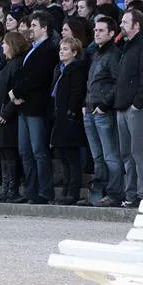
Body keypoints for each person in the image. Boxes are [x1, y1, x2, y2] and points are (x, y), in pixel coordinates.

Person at [10, 11, 58, 204]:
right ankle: (31, 190)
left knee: (38, 150)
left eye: (35, 26)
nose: (31, 29)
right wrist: (15, 93)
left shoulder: (49, 50)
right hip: (24, 105)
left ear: (44, 28)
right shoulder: (33, 48)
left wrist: (17, 92)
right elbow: (22, 74)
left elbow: (38, 77)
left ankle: (44, 191)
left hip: (36, 105)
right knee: (25, 150)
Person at [115, 10, 143, 208]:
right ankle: (130, 193)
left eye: (125, 22)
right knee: (126, 153)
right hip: (123, 107)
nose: (121, 24)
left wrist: (137, 103)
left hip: (137, 108)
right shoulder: (126, 45)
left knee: (139, 151)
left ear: (136, 25)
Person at [83, 16, 124, 208]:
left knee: (110, 156)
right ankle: (98, 194)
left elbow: (118, 83)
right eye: (95, 30)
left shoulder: (113, 54)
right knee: (97, 156)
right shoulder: (96, 53)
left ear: (111, 33)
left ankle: (114, 193)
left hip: (103, 111)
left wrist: (104, 104)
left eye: (101, 31)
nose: (96, 33)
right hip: (91, 110)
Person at [0, 31, 30, 203]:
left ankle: (13, 190)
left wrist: (6, 111)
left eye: (5, 43)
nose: (2, 46)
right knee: (3, 154)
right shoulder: (8, 64)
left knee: (9, 153)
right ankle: (6, 189)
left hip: (8, 116)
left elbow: (16, 91)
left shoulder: (17, 64)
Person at [50, 37, 89, 205]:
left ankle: (72, 192)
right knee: (63, 156)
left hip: (70, 117)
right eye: (61, 48)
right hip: (58, 116)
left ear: (74, 52)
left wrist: (71, 112)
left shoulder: (77, 69)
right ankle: (65, 190)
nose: (61, 51)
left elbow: (76, 92)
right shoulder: (60, 69)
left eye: (66, 49)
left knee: (72, 157)